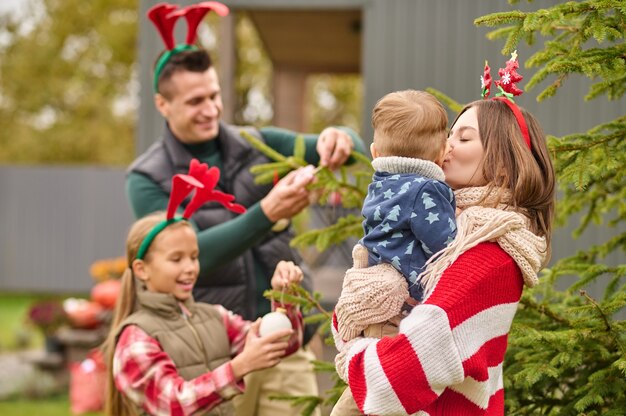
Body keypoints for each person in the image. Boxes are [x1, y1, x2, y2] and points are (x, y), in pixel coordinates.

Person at [127, 44, 366, 415]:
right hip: (213, 353)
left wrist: (339, 136)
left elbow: (352, 150)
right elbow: (193, 256)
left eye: (213, 95)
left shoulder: (259, 144)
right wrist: (267, 212)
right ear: (163, 105)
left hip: (288, 340)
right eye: (194, 101)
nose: (209, 110)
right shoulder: (148, 177)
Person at [331, 95, 556, 415]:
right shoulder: (444, 228)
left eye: (463, 138)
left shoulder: (490, 253)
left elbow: (392, 381)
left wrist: (352, 348)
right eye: (448, 134)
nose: (447, 145)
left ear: (504, 167)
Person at [104, 211, 305, 416]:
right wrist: (238, 367)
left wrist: (285, 297)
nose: (190, 267)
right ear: (141, 270)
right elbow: (172, 404)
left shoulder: (215, 317)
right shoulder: (136, 338)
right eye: (176, 259)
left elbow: (282, 345)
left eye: (194, 257)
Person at [331, 90, 456, 415]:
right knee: (382, 396)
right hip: (399, 311)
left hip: (375, 306)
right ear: (443, 153)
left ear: (375, 151)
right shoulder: (427, 190)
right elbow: (447, 245)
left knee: (364, 393)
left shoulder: (380, 185)